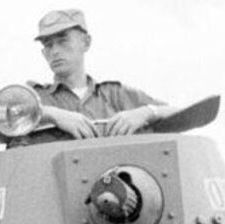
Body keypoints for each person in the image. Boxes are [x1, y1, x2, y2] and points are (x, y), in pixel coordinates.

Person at [30, 9, 181, 139]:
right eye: (48, 45)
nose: (55, 51)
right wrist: (52, 114)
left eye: (63, 41)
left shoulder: (115, 94)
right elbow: (7, 118)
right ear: (43, 53)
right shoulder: (33, 98)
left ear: (86, 42)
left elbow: (184, 114)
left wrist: (146, 112)